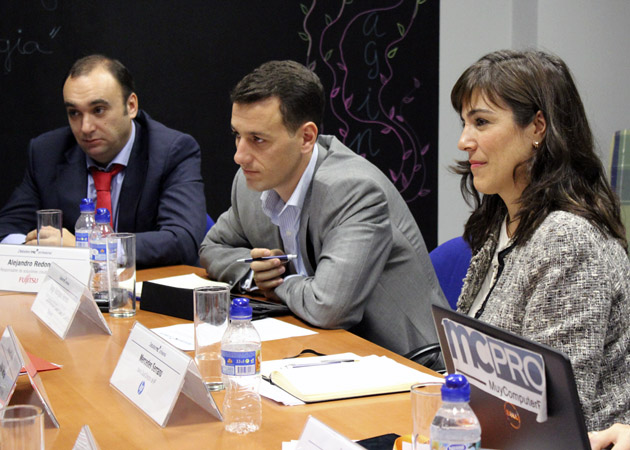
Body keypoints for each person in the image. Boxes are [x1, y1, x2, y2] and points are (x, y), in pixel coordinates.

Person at [199, 60, 447, 355]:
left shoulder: (354, 190)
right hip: (322, 348)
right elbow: (212, 248)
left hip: (406, 361)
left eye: (258, 139)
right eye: (237, 135)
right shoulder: (250, 183)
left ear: (306, 137)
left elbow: (330, 307)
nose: (240, 156)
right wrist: (255, 274)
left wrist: (277, 283)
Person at [451, 49, 630, 431]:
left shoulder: (569, 241)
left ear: (537, 127)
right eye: (464, 123)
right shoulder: (502, 223)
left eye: (481, 122)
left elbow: (554, 420)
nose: (464, 141)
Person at [0, 54, 206, 268]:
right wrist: (34, 248)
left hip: (143, 285)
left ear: (131, 106)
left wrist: (87, 248)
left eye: (98, 110)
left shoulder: (171, 151)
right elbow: (6, 230)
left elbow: (183, 240)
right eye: (74, 113)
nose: (85, 127)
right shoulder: (47, 152)